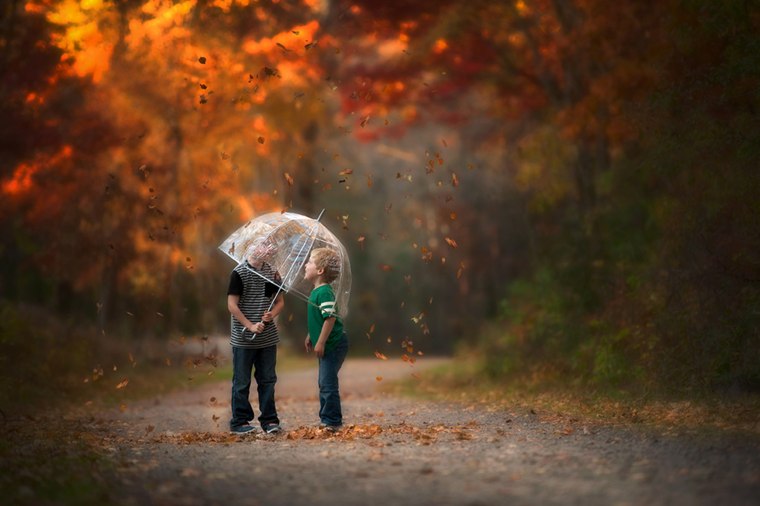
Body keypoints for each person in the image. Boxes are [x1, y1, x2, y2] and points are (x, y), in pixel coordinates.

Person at [227, 241, 284, 435]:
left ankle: (269, 420)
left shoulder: (272, 273)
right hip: (243, 338)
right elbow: (232, 305)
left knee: (267, 380)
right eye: (262, 245)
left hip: (267, 338)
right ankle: (239, 421)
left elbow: (279, 302)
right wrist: (250, 325)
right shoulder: (239, 273)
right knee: (242, 381)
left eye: (269, 246)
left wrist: (272, 314)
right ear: (251, 248)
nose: (268, 249)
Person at [303, 247, 349, 431]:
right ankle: (327, 418)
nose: (306, 265)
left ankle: (332, 421)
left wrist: (320, 341)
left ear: (320, 271)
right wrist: (311, 335)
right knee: (324, 381)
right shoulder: (316, 292)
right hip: (328, 342)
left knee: (327, 382)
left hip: (334, 343)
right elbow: (320, 318)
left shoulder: (324, 292)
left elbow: (330, 318)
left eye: (310, 262)